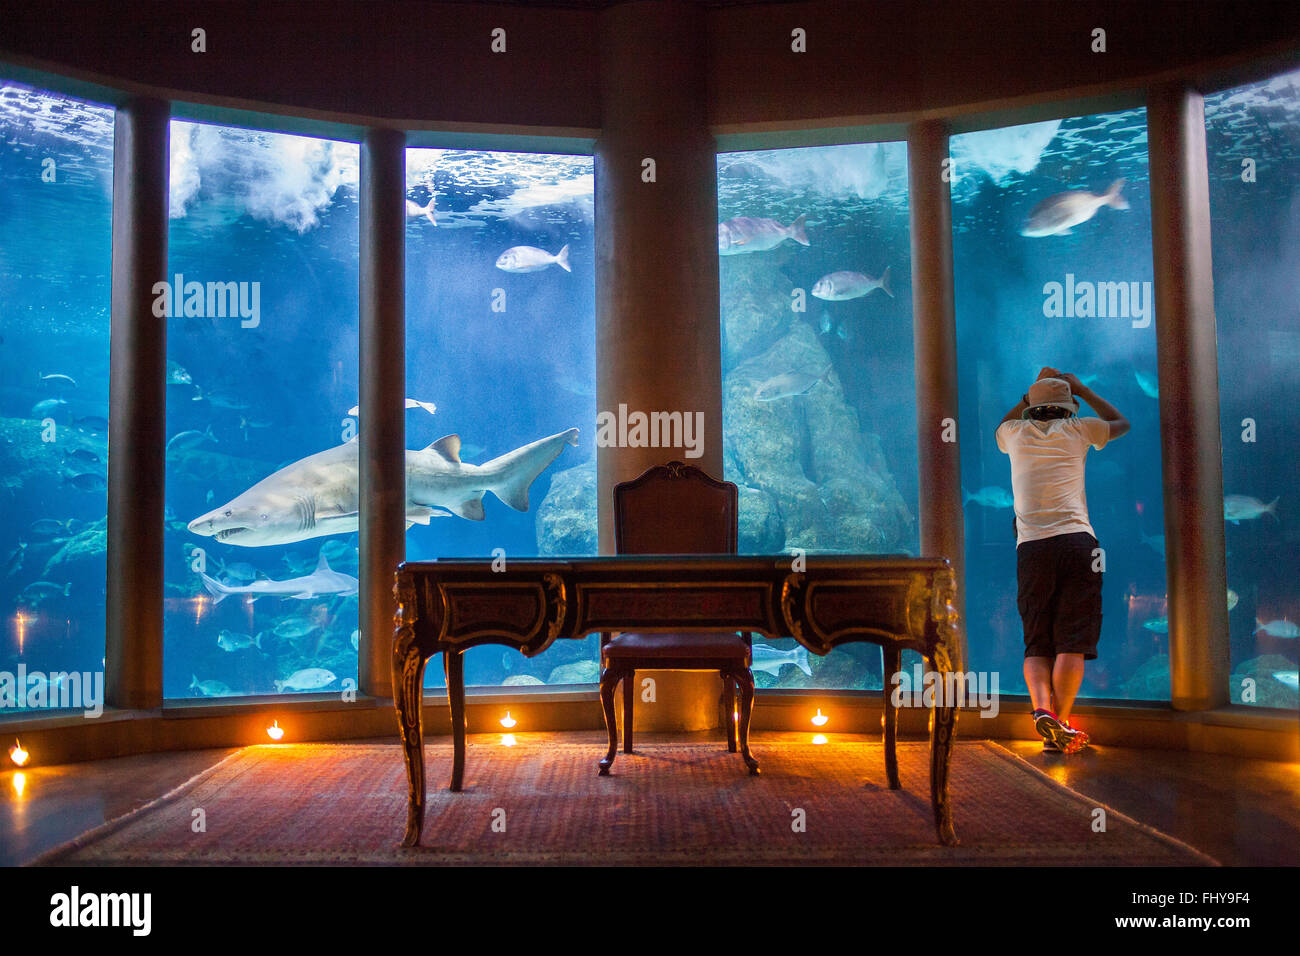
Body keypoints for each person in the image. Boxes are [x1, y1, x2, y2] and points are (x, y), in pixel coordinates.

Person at [995, 368, 1129, 754]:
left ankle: (1042, 713)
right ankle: (1062, 720)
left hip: (1032, 548)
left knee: (1036, 641)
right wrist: (1083, 389)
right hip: (1077, 544)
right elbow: (1121, 422)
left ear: (1031, 408)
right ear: (1069, 407)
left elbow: (1001, 425)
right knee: (1072, 639)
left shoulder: (1014, 433)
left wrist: (1027, 394)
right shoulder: (1080, 429)